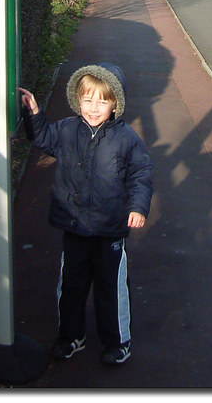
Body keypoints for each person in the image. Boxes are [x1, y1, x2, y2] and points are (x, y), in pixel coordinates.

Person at [18, 63, 153, 365]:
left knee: (110, 288)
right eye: (87, 100)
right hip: (75, 226)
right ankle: (71, 336)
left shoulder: (126, 138)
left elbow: (141, 173)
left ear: (114, 104)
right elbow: (43, 139)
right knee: (71, 285)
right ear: (77, 101)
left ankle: (118, 342)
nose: (93, 108)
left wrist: (137, 206)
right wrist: (36, 115)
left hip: (110, 230)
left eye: (102, 101)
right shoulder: (67, 130)